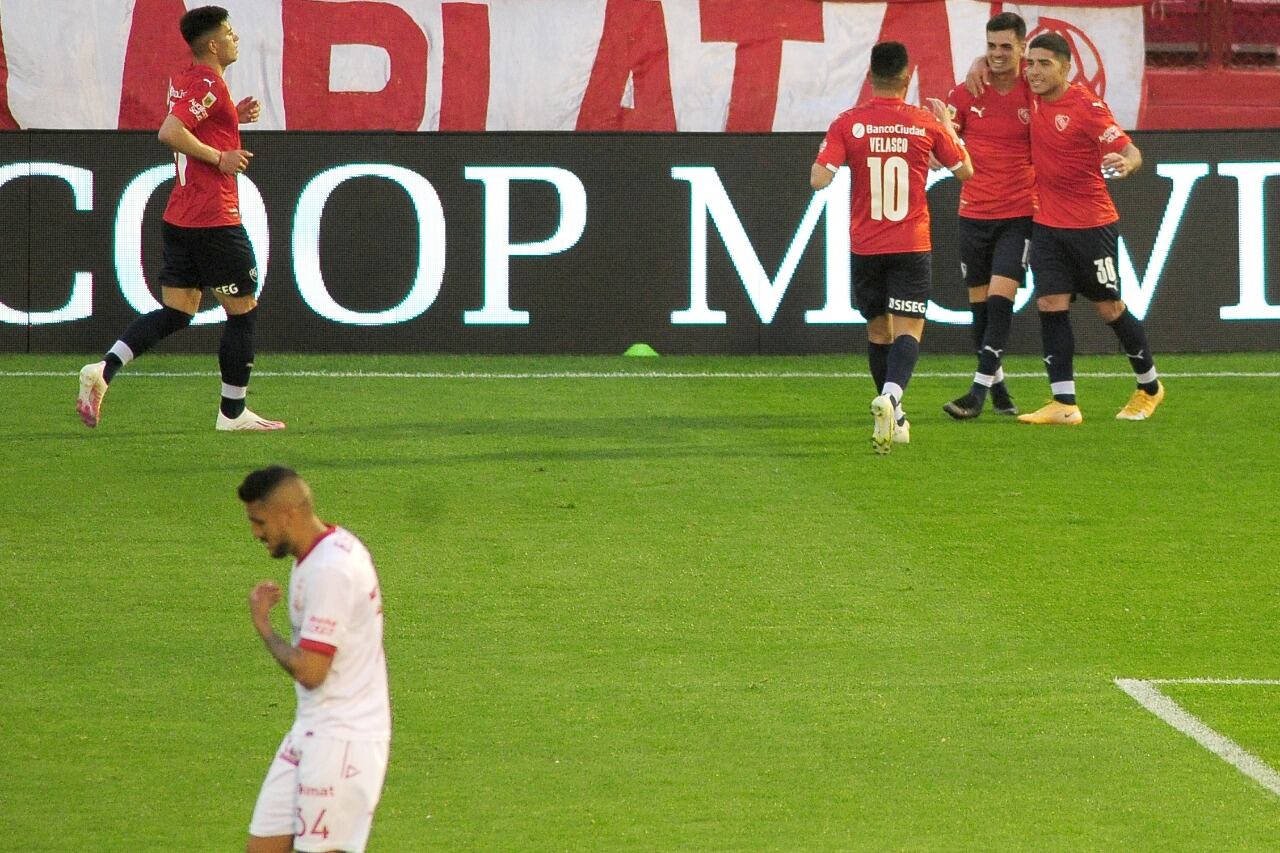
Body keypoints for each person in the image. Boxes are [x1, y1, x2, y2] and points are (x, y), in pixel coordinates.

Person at [76, 6, 284, 431]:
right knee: (242, 313)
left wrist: (232, 118)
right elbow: (170, 131)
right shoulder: (207, 82)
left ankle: (104, 368)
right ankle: (232, 413)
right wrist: (221, 157)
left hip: (182, 218)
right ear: (212, 43)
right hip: (214, 220)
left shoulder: (192, 80)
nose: (235, 37)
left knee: (177, 312)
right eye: (228, 32)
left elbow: (193, 122)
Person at [812, 41, 973, 454]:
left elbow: (819, 179)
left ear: (870, 76)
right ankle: (893, 400)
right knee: (908, 330)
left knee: (877, 329)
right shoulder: (925, 123)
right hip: (911, 244)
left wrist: (836, 158)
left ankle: (895, 415)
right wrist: (949, 128)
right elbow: (965, 171)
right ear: (907, 77)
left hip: (866, 246)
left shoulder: (848, 123)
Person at [1016, 32, 1165, 424]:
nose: (1034, 71)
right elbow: (996, 66)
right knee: (1050, 303)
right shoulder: (1028, 93)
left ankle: (1150, 387)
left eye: (1044, 63)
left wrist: (1129, 162)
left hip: (1091, 225)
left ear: (1067, 67)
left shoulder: (1086, 106)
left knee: (1109, 308)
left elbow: (1130, 151)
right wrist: (980, 66)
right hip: (1047, 224)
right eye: (1030, 63)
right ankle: (1064, 404)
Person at [240, 466, 390, 853]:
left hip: (343, 742)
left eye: (260, 522)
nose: (256, 533)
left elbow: (311, 671)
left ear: (288, 514)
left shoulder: (331, 570)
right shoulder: (319, 551)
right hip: (311, 730)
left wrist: (264, 628)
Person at [941, 13, 1035, 420]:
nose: (997, 54)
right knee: (979, 307)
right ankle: (1000, 391)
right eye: (991, 47)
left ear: (1023, 48)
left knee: (1000, 301)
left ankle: (976, 393)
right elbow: (945, 146)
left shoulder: (1036, 91)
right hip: (973, 212)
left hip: (1019, 213)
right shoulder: (966, 93)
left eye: (1006, 47)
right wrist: (936, 148)